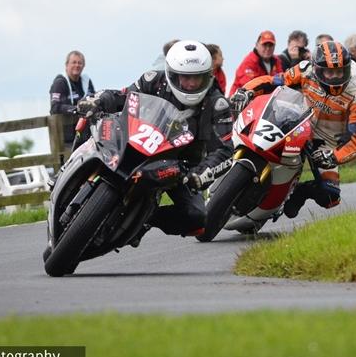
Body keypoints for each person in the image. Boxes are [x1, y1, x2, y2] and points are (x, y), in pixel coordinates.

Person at [77, 40, 234, 238]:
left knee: (198, 218)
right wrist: (99, 99)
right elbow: (124, 96)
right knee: (89, 116)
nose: (192, 83)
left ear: (208, 76)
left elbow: (225, 150)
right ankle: (68, 172)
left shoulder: (217, 104)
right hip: (135, 139)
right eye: (186, 77)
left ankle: (145, 219)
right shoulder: (153, 80)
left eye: (198, 78)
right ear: (172, 74)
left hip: (178, 167)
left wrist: (201, 173)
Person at [232, 40, 356, 219]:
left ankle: (300, 192)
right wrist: (247, 90)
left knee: (331, 196)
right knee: (260, 146)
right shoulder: (305, 70)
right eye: (329, 71)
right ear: (318, 68)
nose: (334, 77)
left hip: (324, 142)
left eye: (339, 71)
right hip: (294, 123)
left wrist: (333, 156)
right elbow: (274, 81)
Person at [49, 50, 96, 146]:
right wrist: (76, 109)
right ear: (66, 65)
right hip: (65, 139)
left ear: (83, 65)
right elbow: (54, 107)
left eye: (80, 63)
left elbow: (94, 100)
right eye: (74, 62)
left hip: (85, 136)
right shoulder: (60, 82)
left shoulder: (86, 81)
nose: (77, 65)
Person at [228, 30, 284, 97]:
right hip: (240, 102)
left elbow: (282, 79)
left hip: (266, 101)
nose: (268, 48)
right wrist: (272, 80)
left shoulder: (277, 61)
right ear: (257, 45)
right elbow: (249, 86)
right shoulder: (249, 62)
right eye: (264, 45)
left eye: (270, 45)